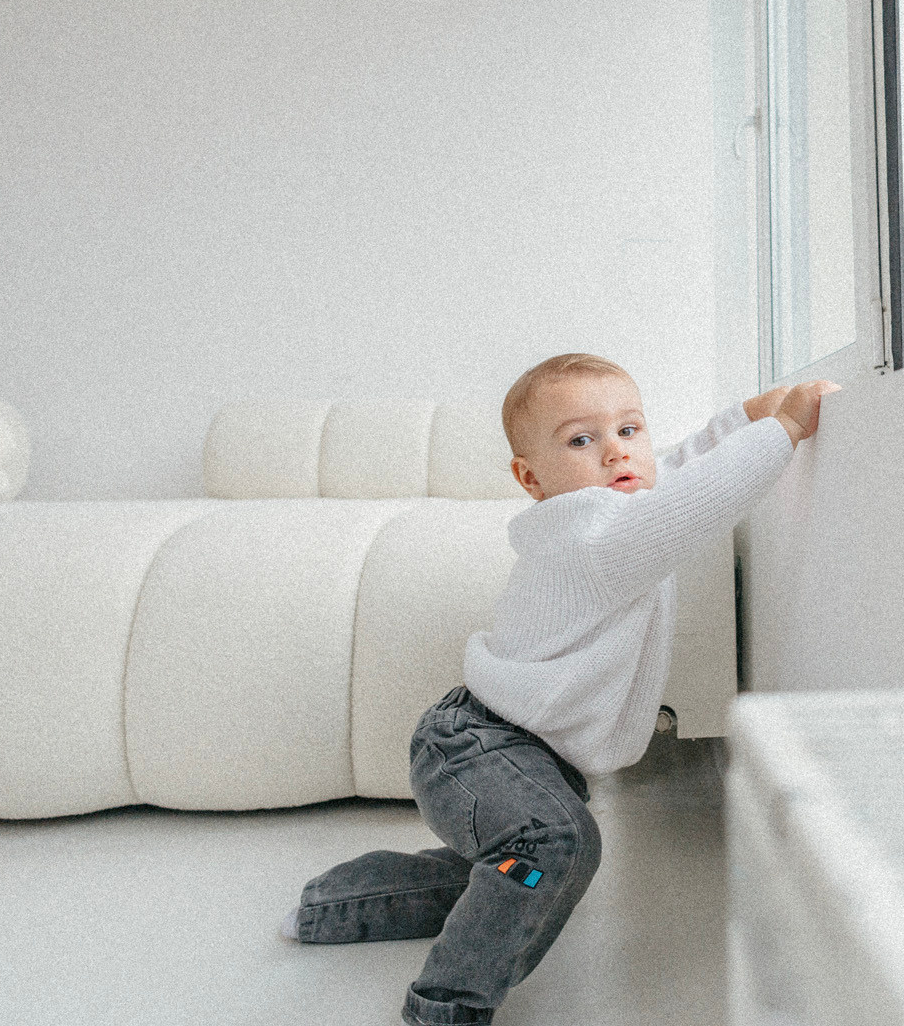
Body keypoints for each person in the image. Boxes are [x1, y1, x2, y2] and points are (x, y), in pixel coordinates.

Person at [282, 352, 837, 1025]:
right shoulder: (590, 534)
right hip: (477, 749)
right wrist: (780, 431)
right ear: (532, 478)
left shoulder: (620, 508)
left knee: (515, 873)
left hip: (514, 753)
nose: (616, 452)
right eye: (581, 440)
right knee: (552, 846)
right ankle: (445, 1006)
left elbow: (679, 464)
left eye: (629, 429)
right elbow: (696, 500)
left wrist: (743, 418)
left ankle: (340, 904)